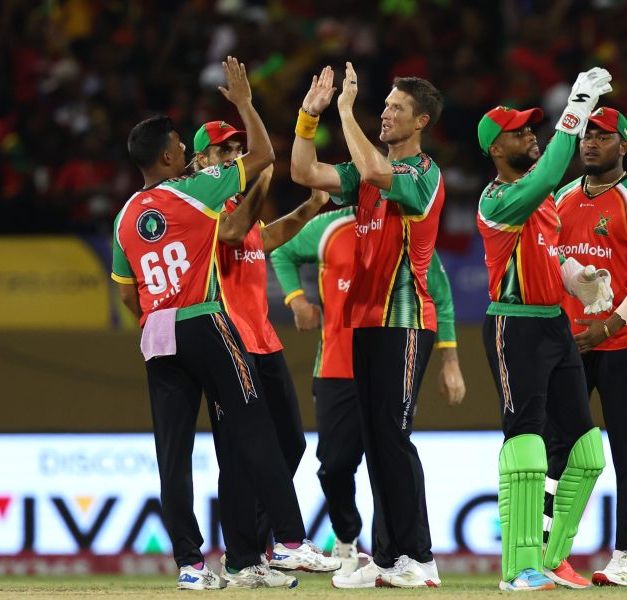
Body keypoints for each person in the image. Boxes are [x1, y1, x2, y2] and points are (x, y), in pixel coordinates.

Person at [110, 57, 297, 590]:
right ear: (171, 156)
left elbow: (127, 294)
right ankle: (288, 539)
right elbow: (263, 157)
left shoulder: (125, 215)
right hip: (204, 321)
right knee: (253, 423)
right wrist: (244, 103)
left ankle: (191, 566)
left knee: (173, 455)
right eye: (181, 146)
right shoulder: (195, 189)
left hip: (157, 334)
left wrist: (156, 315)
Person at [289, 63, 446, 588]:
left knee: (394, 437)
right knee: (378, 443)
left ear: (421, 121)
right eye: (384, 106)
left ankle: (420, 560)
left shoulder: (422, 173)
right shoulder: (364, 175)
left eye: (396, 108)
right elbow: (304, 174)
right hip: (363, 324)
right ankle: (385, 561)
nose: (385, 113)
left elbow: (379, 172)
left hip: (404, 319)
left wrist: (345, 111)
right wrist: (309, 119)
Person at [270, 206, 466, 578]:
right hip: (336, 366)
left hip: (386, 361)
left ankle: (390, 555)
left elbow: (440, 294)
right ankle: (347, 537)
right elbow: (281, 250)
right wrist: (296, 300)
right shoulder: (329, 227)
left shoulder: (405, 226)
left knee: (386, 456)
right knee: (334, 465)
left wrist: (450, 360)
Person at [475, 68, 614, 592]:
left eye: (533, 128)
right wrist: (576, 107)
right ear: (495, 149)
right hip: (515, 328)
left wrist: (581, 279)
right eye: (518, 132)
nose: (530, 135)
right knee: (528, 446)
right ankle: (518, 569)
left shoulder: (543, 204)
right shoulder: (497, 200)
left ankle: (554, 559)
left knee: (585, 451)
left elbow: (550, 257)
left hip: (554, 325)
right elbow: (554, 167)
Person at [190, 120, 340, 582]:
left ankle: (247, 555)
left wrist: (312, 206)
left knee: (289, 443)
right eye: (223, 151)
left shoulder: (238, 205)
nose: (234, 154)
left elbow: (264, 237)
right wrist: (262, 177)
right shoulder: (202, 204)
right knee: (238, 455)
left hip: (263, 339)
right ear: (201, 162)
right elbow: (235, 233)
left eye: (239, 148)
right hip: (229, 341)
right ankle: (249, 556)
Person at [554, 107, 627, 587]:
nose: (589, 144)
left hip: (622, 341)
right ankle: (549, 552)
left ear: (623, 146)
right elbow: (548, 260)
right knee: (558, 447)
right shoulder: (559, 198)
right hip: (570, 344)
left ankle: (626, 557)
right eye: (585, 136)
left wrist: (611, 323)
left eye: (602, 137)